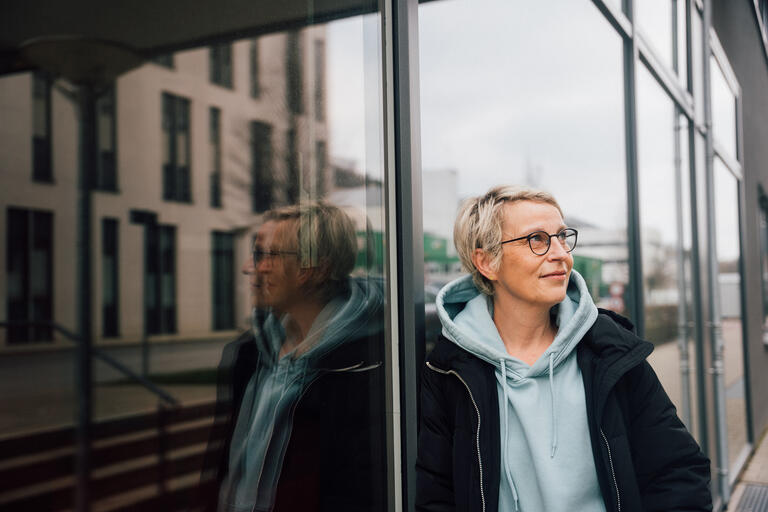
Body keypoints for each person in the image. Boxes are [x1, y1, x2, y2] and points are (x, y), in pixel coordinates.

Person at [416, 185, 711, 512]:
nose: (561, 254)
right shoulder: (448, 369)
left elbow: (679, 472)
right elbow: (436, 496)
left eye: (561, 236)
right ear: (486, 262)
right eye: (537, 239)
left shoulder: (609, 351)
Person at [200, 202, 387, 512]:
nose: (250, 267)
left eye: (265, 255)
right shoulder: (250, 354)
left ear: (312, 269)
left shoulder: (366, 367)